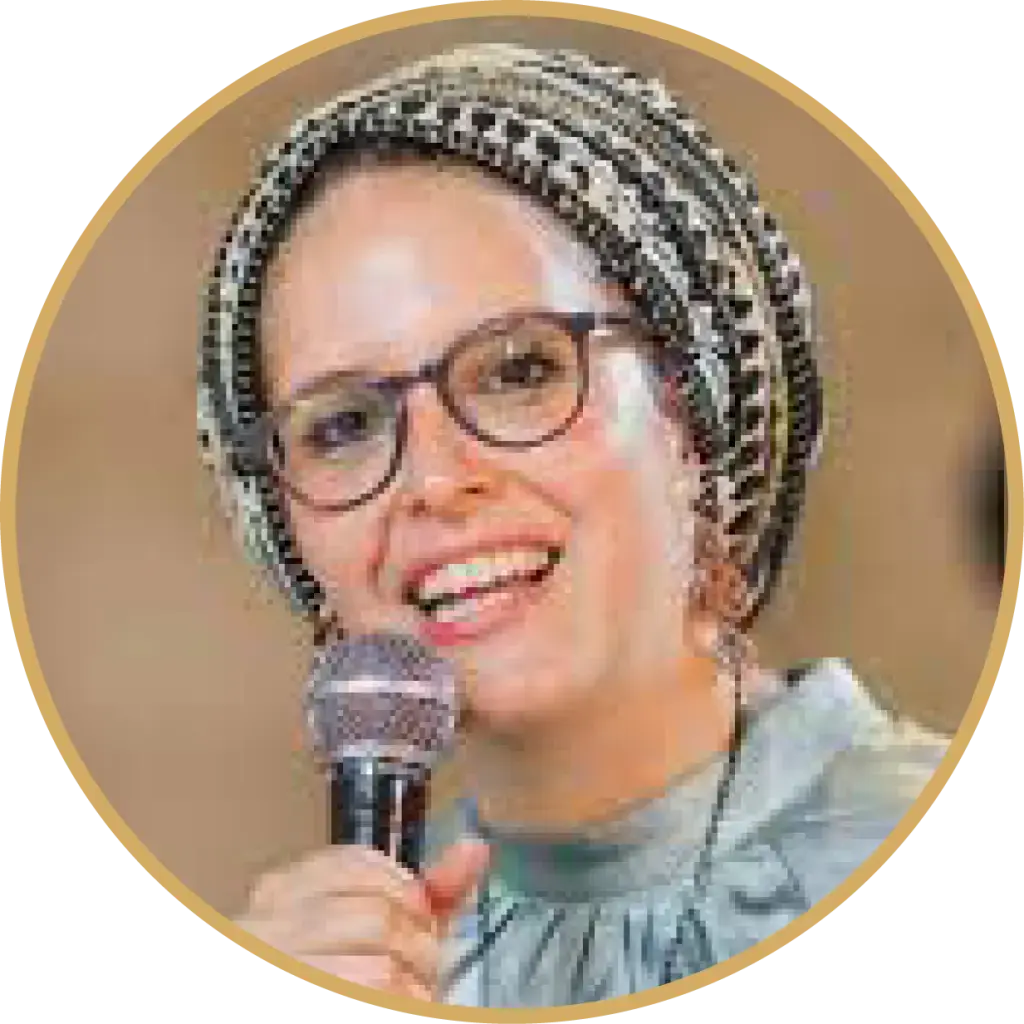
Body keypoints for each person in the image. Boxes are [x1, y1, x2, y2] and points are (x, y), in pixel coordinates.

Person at [197, 44, 949, 1008]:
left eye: (519, 371)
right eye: (344, 425)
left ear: (690, 409)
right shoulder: (366, 956)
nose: (433, 479)